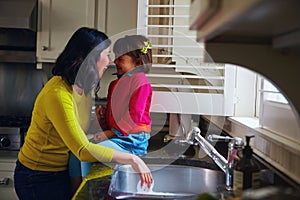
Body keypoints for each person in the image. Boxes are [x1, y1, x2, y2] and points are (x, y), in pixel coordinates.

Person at [13, 27, 153, 200]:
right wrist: (133, 159)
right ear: (91, 59)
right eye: (107, 54)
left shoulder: (83, 88)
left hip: (60, 172)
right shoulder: (58, 93)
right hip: (37, 176)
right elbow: (82, 150)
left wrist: (100, 122)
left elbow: (77, 127)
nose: (110, 61)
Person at [69, 34, 153, 181]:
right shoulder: (114, 85)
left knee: (89, 153)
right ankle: (76, 193)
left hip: (132, 141)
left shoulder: (140, 81)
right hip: (118, 137)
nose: (115, 61)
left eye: (120, 59)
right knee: (77, 153)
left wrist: (109, 133)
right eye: (115, 57)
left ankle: (84, 191)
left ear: (138, 63)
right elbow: (114, 117)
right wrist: (103, 120)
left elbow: (134, 116)